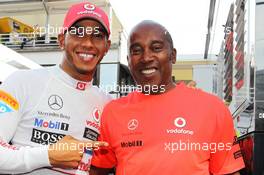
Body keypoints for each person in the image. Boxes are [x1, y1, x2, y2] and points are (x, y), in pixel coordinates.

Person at [90, 20, 245, 175]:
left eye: (156, 48)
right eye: (136, 51)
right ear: (129, 61)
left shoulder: (212, 108)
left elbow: (229, 171)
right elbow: (97, 169)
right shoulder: (113, 112)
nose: (146, 58)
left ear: (173, 56)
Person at [0, 2, 111, 174]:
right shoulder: (21, 82)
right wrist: (48, 155)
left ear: (107, 47)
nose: (88, 43)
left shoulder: (108, 104)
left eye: (97, 36)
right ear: (61, 40)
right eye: (78, 33)